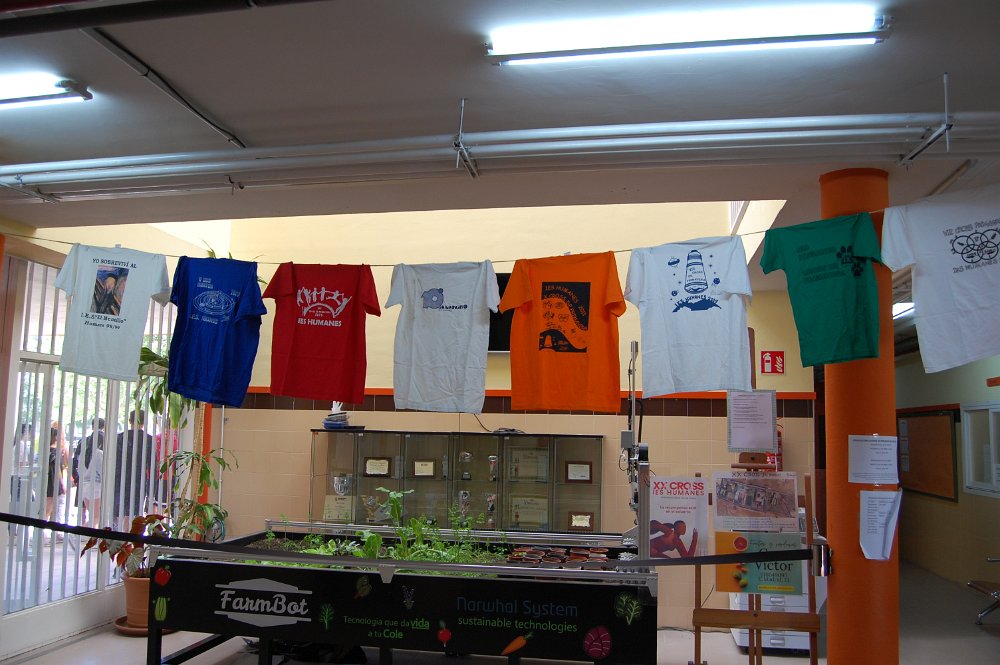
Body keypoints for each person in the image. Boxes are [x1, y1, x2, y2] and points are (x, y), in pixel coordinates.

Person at [114, 410, 154, 526]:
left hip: (120, 478)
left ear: (130, 421)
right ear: (144, 422)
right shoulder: (149, 440)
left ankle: (120, 533)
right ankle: (130, 533)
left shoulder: (120, 438)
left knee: (120, 510)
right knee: (134, 511)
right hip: (139, 480)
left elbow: (115, 461)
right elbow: (151, 464)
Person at [73, 417, 105, 527]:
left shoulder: (83, 453)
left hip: (84, 486)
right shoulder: (99, 454)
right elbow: (102, 472)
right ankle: (79, 533)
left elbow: (77, 467)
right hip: (96, 486)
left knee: (92, 516)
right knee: (96, 517)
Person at [44, 422, 69, 540]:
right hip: (54, 482)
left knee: (50, 507)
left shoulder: (47, 450)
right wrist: (62, 483)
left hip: (48, 481)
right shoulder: (56, 451)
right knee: (50, 508)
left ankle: (49, 531)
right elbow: (58, 468)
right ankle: (44, 532)